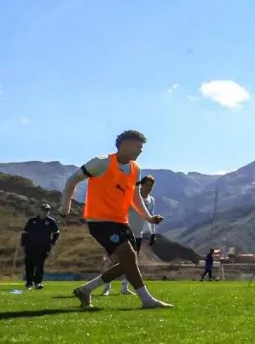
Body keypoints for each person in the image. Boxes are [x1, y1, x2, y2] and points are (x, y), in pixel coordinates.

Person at [59, 129, 172, 309]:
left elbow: (135, 197)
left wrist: (149, 218)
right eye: (137, 146)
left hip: (121, 221)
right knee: (128, 256)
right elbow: (72, 180)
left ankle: (86, 289)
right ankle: (147, 300)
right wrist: (65, 207)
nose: (140, 151)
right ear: (123, 145)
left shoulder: (135, 169)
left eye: (141, 147)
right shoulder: (101, 162)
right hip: (100, 222)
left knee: (128, 262)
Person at [105, 175, 157, 295]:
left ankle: (124, 287)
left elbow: (151, 217)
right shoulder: (132, 196)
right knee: (115, 260)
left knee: (131, 262)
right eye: (147, 185)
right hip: (124, 232)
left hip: (138, 234)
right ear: (141, 185)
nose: (149, 188)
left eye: (151, 186)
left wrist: (153, 233)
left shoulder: (151, 200)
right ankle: (107, 286)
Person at [20, 203, 60, 290]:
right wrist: (23, 245)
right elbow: (24, 233)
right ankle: (29, 283)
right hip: (30, 246)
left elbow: (56, 233)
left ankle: (38, 283)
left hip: (43, 247)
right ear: (39, 210)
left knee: (39, 265)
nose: (45, 212)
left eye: (47, 211)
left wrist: (52, 243)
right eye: (44, 210)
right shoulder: (32, 221)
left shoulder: (50, 221)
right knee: (29, 265)